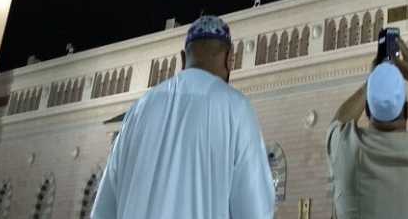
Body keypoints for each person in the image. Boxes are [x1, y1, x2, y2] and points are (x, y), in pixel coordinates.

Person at [91, 15, 274, 219]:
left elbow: (103, 210)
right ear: (230, 57)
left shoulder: (139, 110)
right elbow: (255, 211)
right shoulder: (236, 109)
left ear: (183, 58)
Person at [326, 38, 408, 219]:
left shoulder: (344, 149)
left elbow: (338, 121)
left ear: (366, 110)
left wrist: (375, 78)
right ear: (406, 110)